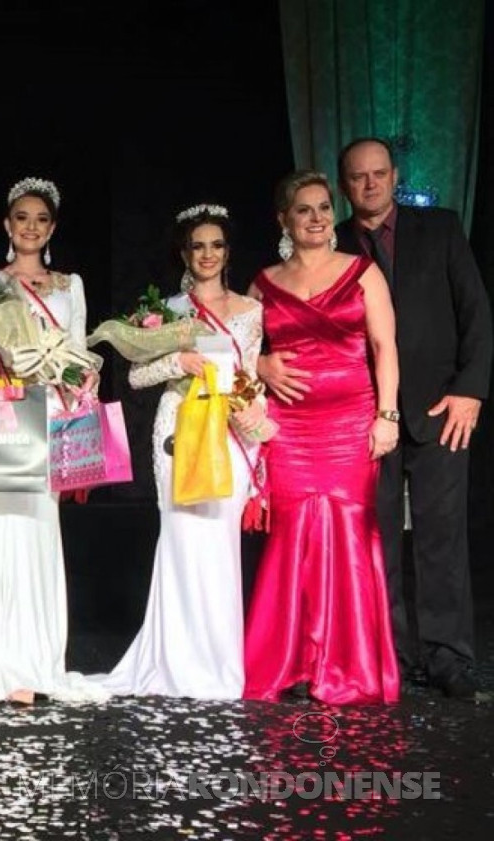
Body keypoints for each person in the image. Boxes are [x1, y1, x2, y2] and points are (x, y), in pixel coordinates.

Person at [263, 138, 493, 699]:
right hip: (357, 419)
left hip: (440, 410)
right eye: (358, 177)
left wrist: (470, 391)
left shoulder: (439, 228)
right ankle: (386, 653)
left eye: (379, 174)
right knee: (374, 541)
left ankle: (448, 660)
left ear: (394, 176)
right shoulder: (328, 239)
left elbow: (477, 313)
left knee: (441, 539)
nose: (370, 185)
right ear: (344, 186)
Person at [244, 169, 400, 705]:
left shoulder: (362, 272)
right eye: (304, 209)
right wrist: (262, 364)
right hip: (288, 429)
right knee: (291, 535)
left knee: (348, 531)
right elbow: (238, 355)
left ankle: (347, 667)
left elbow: (385, 346)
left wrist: (388, 415)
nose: (315, 217)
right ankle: (289, 661)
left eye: (322, 207)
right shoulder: (263, 283)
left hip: (351, 422)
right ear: (284, 219)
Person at [0, 176, 107, 705]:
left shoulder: (70, 286)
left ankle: (38, 659)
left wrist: (85, 380)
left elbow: (81, 350)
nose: (31, 228)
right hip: (5, 414)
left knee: (43, 528)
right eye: (22, 218)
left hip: (53, 415)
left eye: (41, 219)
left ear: (52, 227)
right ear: (7, 225)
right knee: (0, 528)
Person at [102, 204, 267, 700]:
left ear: (228, 252)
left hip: (230, 433)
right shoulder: (169, 310)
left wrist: (258, 432)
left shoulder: (250, 311)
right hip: (176, 429)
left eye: (216, 245)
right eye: (198, 246)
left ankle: (218, 664)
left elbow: (253, 375)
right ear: (185, 253)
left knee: (219, 546)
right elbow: (134, 376)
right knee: (180, 541)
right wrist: (179, 359)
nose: (208, 254)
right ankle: (174, 663)